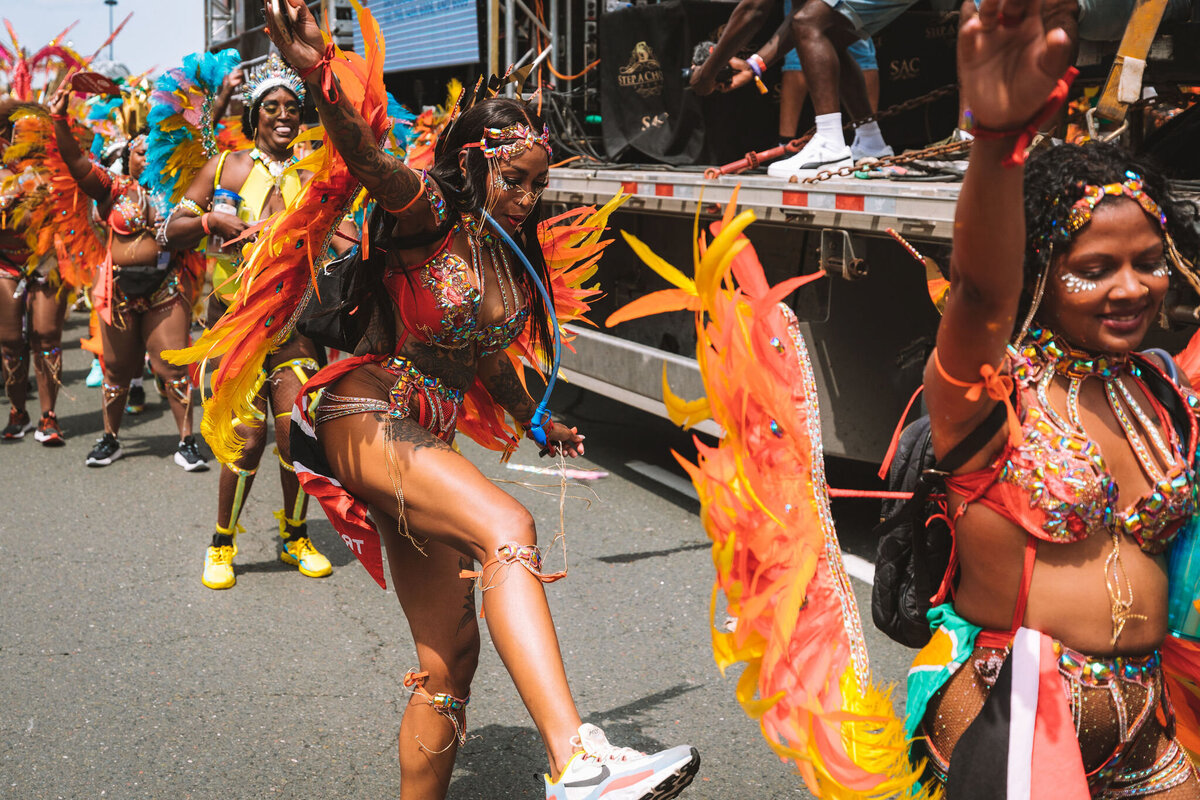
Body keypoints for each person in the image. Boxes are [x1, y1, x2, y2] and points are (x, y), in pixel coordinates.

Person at [177, 2, 703, 798]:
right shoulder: (429, 213)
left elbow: (484, 359)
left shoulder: (502, 257)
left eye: (537, 183)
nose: (526, 197)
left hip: (426, 436)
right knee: (508, 527)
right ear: (475, 163)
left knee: (448, 663)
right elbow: (365, 156)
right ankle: (577, 760)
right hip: (367, 411)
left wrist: (538, 417)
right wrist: (323, 76)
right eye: (513, 178)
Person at [910, 0, 1200, 794]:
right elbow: (975, 290)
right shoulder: (986, 399)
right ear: (1040, 270)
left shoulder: (1161, 391)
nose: (1132, 288)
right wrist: (998, 143)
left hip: (1150, 718)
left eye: (1150, 261)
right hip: (1013, 727)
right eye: (1096, 268)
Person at [164, 54, 343, 590]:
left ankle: (294, 534)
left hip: (295, 322)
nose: (283, 116)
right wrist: (209, 219)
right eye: (272, 107)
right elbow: (172, 228)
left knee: (297, 435)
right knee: (246, 439)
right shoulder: (226, 168)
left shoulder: (315, 168)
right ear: (255, 114)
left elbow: (342, 232)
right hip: (237, 323)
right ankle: (222, 543)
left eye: (291, 107)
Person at [46, 80, 209, 472]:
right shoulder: (113, 188)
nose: (146, 154)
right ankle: (110, 438)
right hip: (119, 289)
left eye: (152, 149)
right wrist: (58, 119)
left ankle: (186, 441)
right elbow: (76, 163)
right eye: (139, 150)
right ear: (129, 158)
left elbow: (208, 158)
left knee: (171, 366)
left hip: (165, 288)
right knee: (117, 369)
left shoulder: (177, 190)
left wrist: (209, 106)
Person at [0, 101, 70, 445]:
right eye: (19, 133)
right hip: (6, 264)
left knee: (46, 337)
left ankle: (48, 415)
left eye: (35, 133)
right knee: (11, 341)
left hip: (48, 262)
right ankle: (18, 411)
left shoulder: (59, 173)